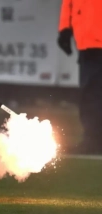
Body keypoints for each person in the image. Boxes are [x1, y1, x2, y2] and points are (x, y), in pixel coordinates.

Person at [58, 0, 102, 155]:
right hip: (87, 40)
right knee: (89, 94)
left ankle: (93, 141)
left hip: (94, 38)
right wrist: (65, 28)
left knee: (92, 93)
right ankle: (92, 140)